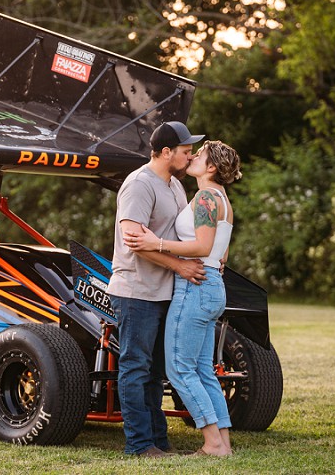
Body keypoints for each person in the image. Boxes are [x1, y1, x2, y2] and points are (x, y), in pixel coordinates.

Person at [124, 140, 243, 457]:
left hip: (196, 286)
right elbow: (221, 252)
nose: (192, 157)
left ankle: (213, 444)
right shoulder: (222, 199)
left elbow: (203, 247)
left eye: (200, 155)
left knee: (180, 370)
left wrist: (156, 242)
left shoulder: (205, 196)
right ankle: (224, 443)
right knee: (204, 370)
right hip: (213, 284)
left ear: (211, 167)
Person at [107, 121, 208, 458]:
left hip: (164, 292)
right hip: (136, 291)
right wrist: (180, 265)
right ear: (167, 152)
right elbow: (134, 241)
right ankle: (138, 444)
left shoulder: (175, 186)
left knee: (155, 372)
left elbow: (177, 236)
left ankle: (158, 441)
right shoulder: (139, 184)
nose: (190, 155)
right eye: (185, 150)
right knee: (135, 368)